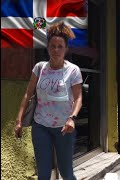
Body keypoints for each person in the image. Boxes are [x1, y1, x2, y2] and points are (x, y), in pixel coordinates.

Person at [14, 21, 83, 180]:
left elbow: (78, 97)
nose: (56, 50)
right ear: (48, 47)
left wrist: (72, 118)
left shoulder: (73, 70)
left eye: (60, 46)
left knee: (66, 173)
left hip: (64, 128)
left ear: (66, 48)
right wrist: (18, 121)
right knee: (43, 174)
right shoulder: (39, 68)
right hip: (40, 126)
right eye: (53, 46)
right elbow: (27, 94)